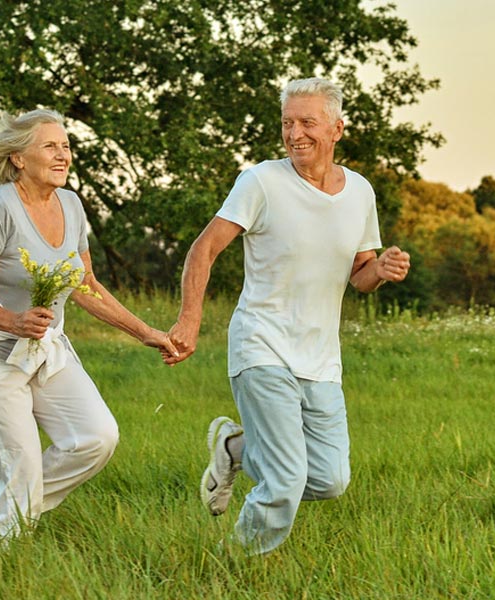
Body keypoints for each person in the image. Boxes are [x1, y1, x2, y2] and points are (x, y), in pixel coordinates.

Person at [167, 77, 412, 555]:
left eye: (307, 122)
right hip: (262, 344)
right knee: (283, 481)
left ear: (337, 128)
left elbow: (359, 273)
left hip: (321, 359)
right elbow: (204, 249)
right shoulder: (260, 181)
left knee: (328, 478)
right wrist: (188, 321)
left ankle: (236, 450)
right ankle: (234, 567)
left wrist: (379, 270)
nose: (295, 133)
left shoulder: (360, 192)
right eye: (287, 123)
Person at [0, 109, 179, 542]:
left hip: (45, 350)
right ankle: (0, 551)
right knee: (21, 467)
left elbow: (84, 284)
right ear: (18, 158)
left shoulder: (71, 205)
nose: (63, 154)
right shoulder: (0, 208)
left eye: (66, 146)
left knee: (96, 437)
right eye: (50, 146)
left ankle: (18, 505)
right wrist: (13, 320)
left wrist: (146, 332)